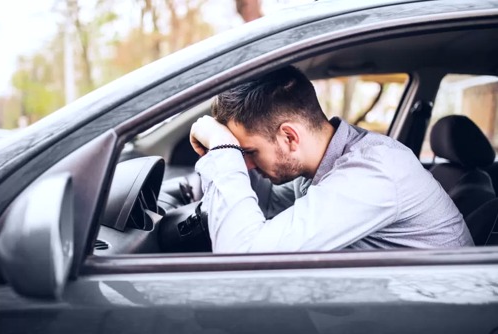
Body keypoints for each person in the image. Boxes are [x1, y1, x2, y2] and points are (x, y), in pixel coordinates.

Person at [189, 65, 474, 253]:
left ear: (289, 137)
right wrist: (215, 161)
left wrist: (223, 152)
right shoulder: (323, 164)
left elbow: (240, 259)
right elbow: (265, 202)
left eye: (249, 152)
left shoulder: (372, 172)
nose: (247, 165)